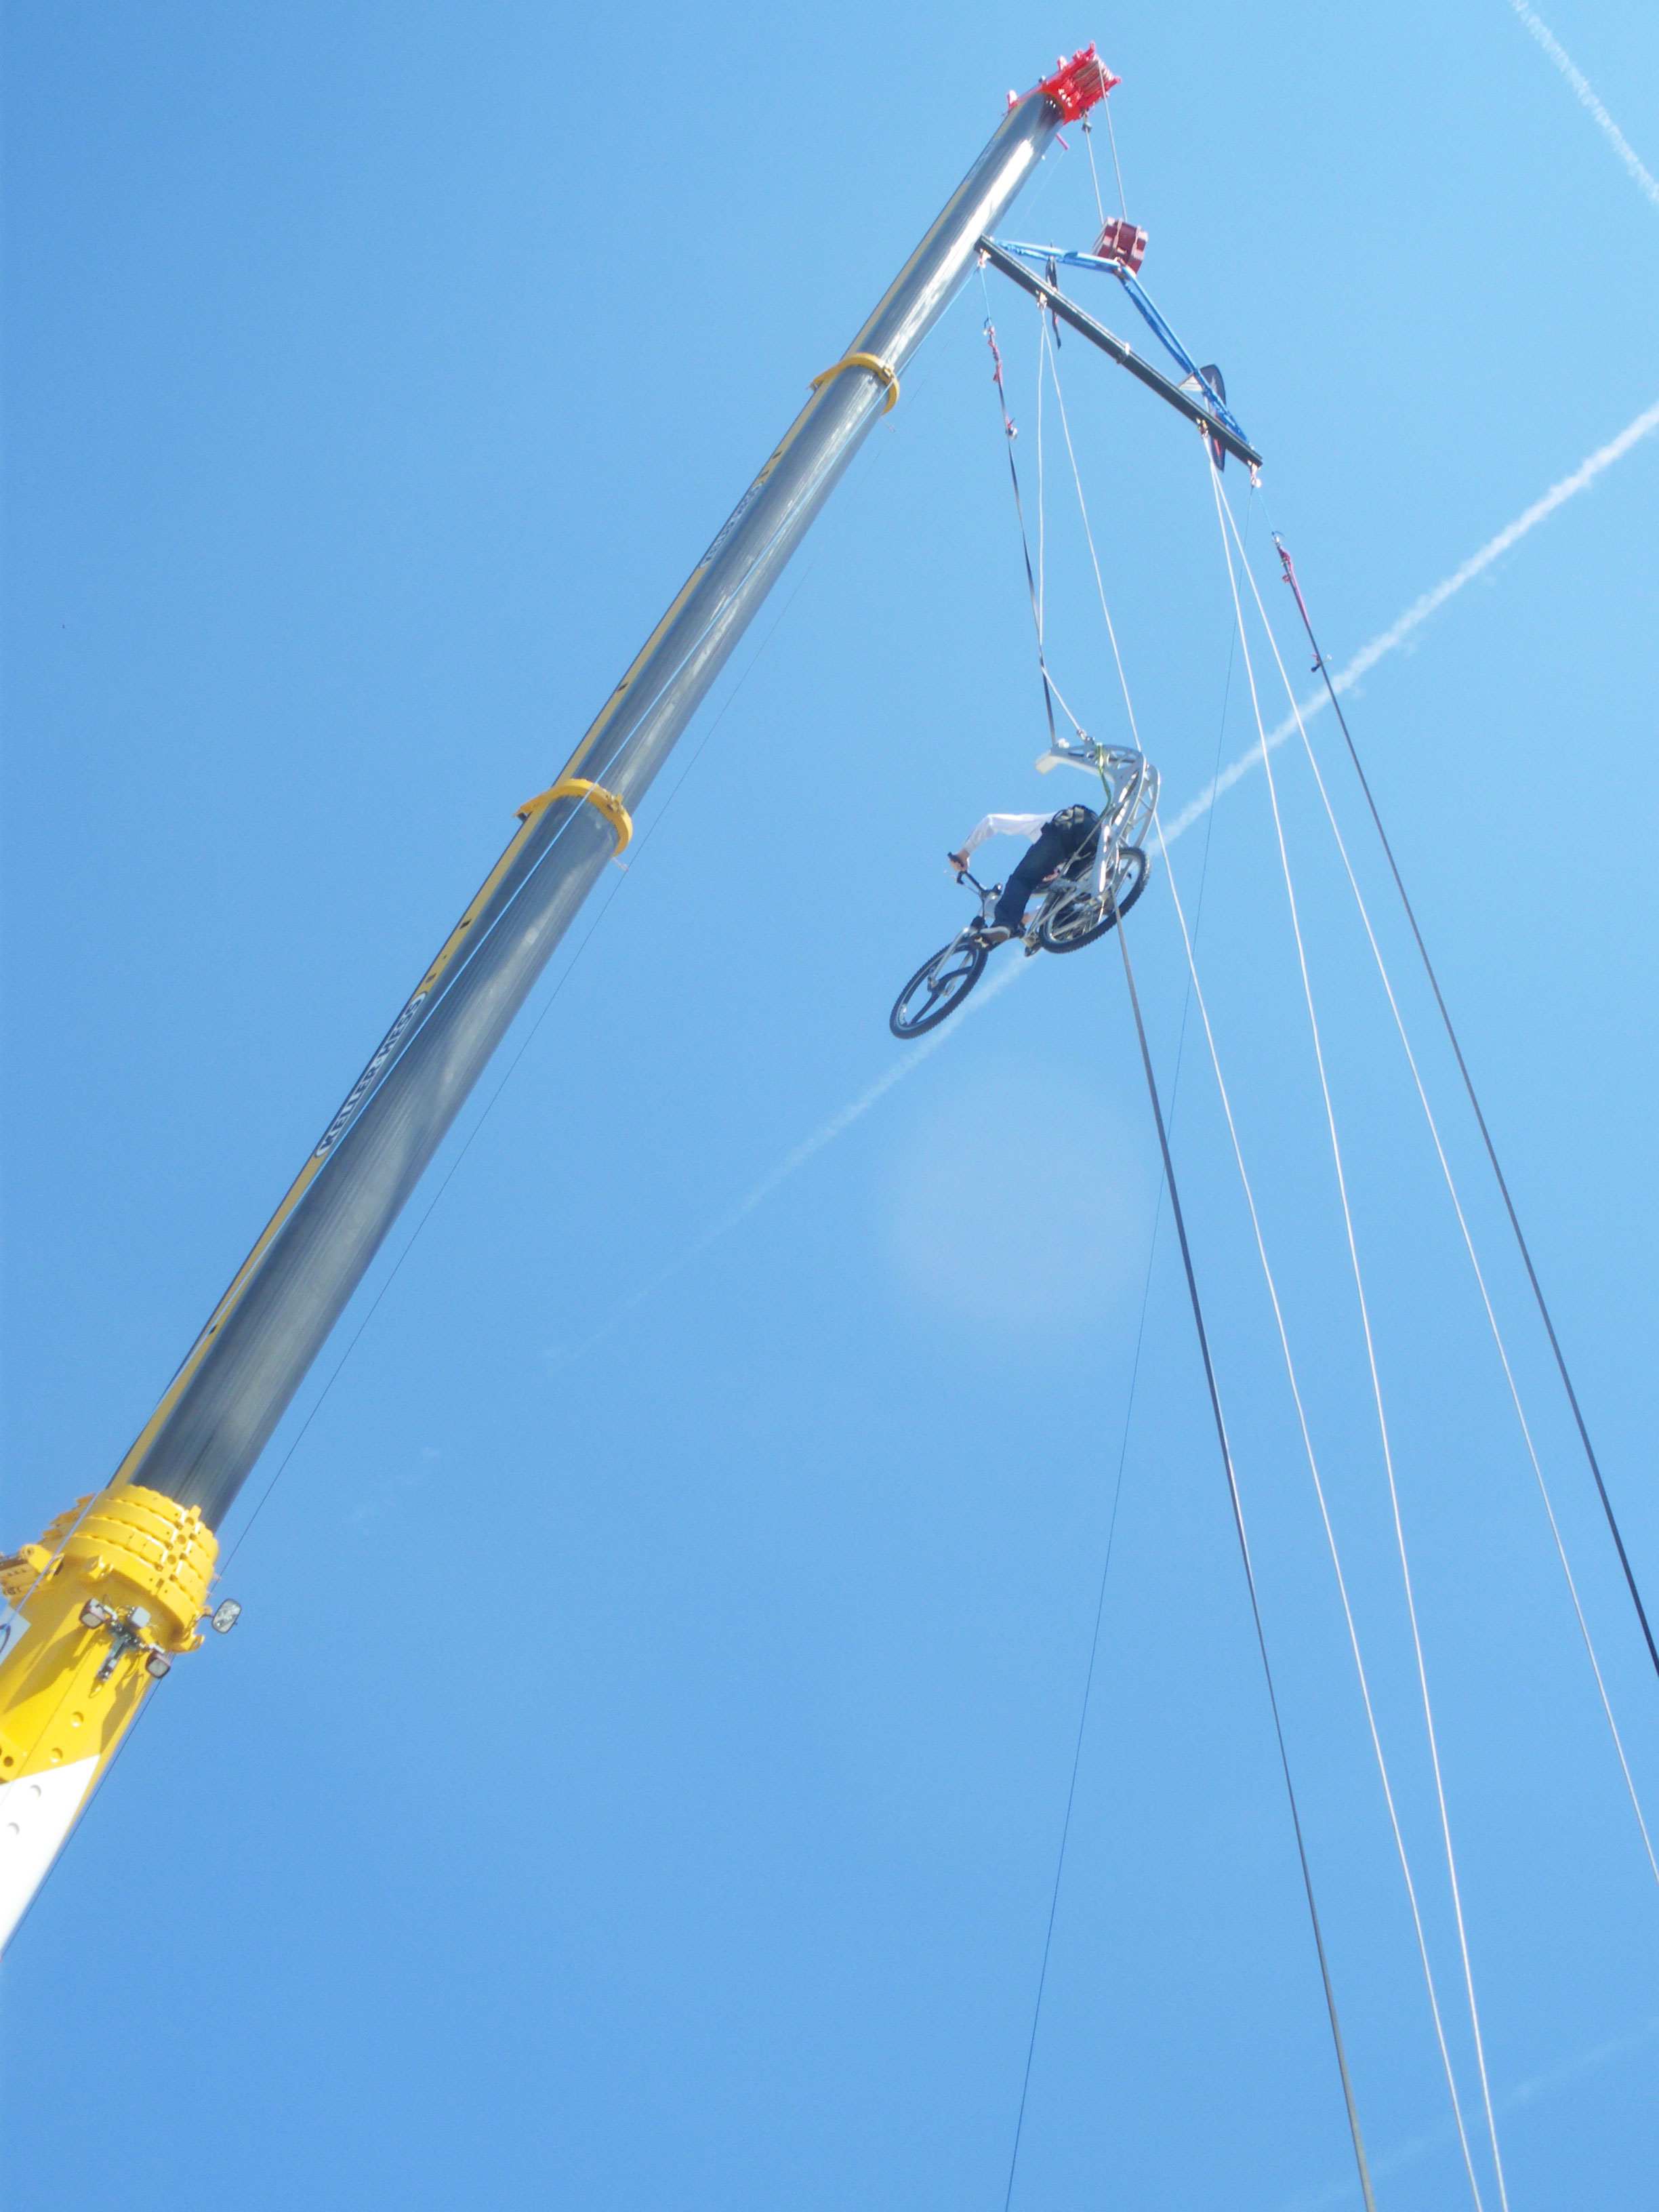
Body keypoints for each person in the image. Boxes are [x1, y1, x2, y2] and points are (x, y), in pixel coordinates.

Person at [948, 802, 1100, 943]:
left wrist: (964, 852)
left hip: (1071, 824)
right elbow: (1048, 906)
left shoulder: (1038, 826)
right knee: (1065, 897)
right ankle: (1076, 922)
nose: (1047, 875)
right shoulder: (1067, 870)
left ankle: (1005, 922)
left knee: (1023, 879)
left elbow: (991, 822)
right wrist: (1026, 918)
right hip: (1096, 839)